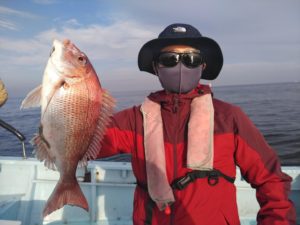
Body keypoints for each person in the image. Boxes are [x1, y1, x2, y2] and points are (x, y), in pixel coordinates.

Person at [97, 23, 296, 225]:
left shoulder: (229, 117)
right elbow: (86, 144)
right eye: (169, 59)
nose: (181, 66)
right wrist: (72, 98)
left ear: (203, 66)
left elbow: (271, 179)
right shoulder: (134, 119)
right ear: (157, 67)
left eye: (191, 59)